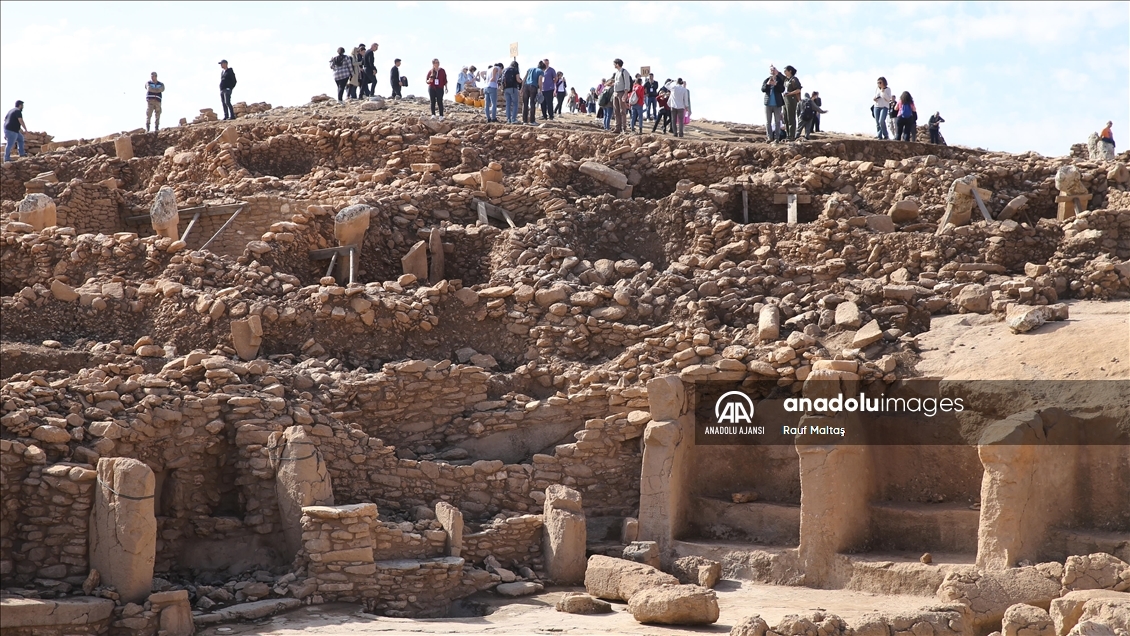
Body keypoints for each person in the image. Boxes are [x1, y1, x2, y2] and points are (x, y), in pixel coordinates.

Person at [761, 65, 785, 143]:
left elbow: (782, 89)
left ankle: (777, 138)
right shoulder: (766, 80)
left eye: (773, 70)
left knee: (777, 121)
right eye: (771, 70)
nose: (772, 72)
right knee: (768, 121)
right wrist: (768, 84)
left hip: (777, 104)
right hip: (768, 104)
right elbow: (763, 89)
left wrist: (776, 84)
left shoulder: (779, 80)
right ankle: (769, 138)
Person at [612, 59, 632, 134]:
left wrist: (625, 93)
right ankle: (617, 127)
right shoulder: (617, 72)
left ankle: (624, 128)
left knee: (622, 111)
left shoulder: (624, 72)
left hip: (622, 92)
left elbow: (627, 83)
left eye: (614, 64)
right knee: (616, 111)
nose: (613, 65)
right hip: (616, 93)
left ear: (617, 64)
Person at [782, 65, 802, 141]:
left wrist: (789, 93)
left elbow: (798, 90)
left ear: (790, 71)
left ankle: (791, 136)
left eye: (785, 71)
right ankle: (788, 135)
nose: (784, 72)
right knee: (786, 118)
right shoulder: (786, 80)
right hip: (785, 100)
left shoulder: (794, 79)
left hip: (792, 100)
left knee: (791, 118)